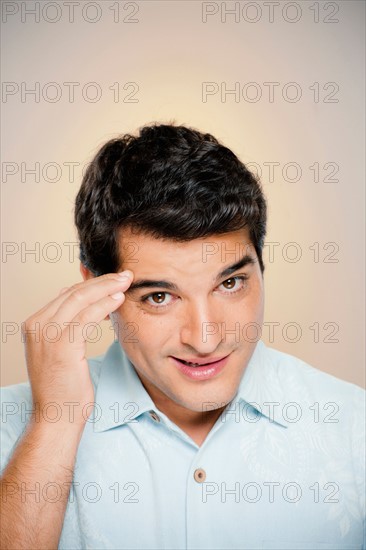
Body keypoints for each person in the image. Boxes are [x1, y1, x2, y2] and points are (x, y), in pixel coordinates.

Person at [0, 123, 364, 550]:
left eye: (230, 284)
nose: (205, 338)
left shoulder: (355, 426)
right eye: (159, 296)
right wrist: (54, 424)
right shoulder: (13, 427)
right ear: (94, 290)